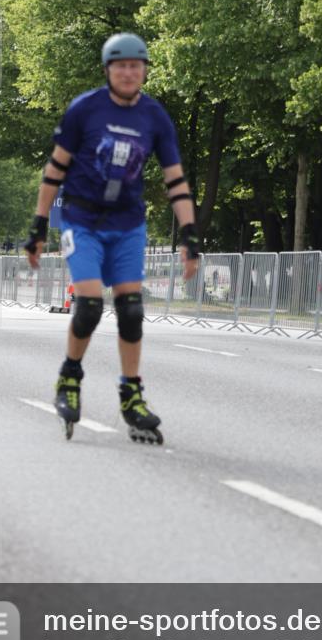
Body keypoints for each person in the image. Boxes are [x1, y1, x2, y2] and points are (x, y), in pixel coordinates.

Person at [23, 32, 200, 443]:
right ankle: (69, 377)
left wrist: (190, 235)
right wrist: (39, 224)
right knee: (88, 307)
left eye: (136, 66)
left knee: (132, 310)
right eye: (120, 66)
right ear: (108, 70)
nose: (128, 73)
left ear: (145, 71)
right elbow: (55, 169)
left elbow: (176, 181)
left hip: (127, 225)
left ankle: (131, 394)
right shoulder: (85, 109)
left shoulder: (155, 117)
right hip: (82, 220)